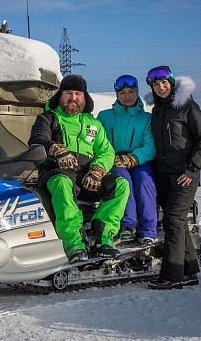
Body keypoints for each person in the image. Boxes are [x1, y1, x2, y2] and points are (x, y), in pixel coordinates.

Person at [29, 74, 130, 264]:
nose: (73, 98)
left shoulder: (94, 124)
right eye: (68, 93)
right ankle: (74, 243)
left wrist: (98, 170)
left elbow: (107, 152)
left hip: (87, 177)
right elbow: (37, 140)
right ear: (60, 96)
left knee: (120, 184)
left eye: (78, 94)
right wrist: (56, 150)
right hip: (56, 173)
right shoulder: (48, 118)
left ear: (85, 98)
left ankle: (102, 238)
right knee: (62, 182)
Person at [143, 66, 201, 290]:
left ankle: (172, 275)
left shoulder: (187, 106)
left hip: (185, 175)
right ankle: (190, 271)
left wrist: (192, 169)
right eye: (156, 84)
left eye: (164, 82)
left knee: (173, 221)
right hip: (163, 176)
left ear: (172, 83)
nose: (161, 87)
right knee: (178, 222)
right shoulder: (155, 111)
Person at [97, 75, 158, 245]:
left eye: (131, 91)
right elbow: (98, 141)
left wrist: (133, 158)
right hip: (115, 160)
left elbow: (150, 144)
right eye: (122, 92)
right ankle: (127, 226)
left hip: (139, 160)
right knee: (122, 180)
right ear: (117, 95)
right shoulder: (104, 117)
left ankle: (148, 230)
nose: (127, 96)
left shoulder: (146, 118)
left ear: (137, 92)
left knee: (144, 181)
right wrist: (111, 158)